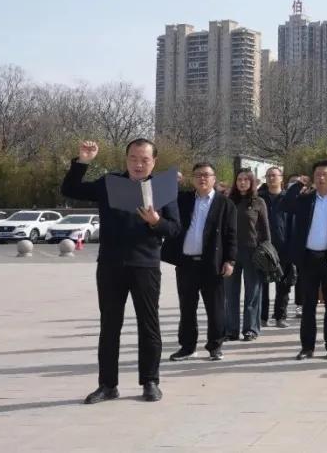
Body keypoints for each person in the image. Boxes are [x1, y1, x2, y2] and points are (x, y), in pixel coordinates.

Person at [61, 139, 181, 404]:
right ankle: (107, 385)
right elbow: (70, 189)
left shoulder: (163, 190)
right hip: (111, 265)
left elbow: (174, 229)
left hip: (146, 265)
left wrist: (156, 221)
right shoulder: (110, 183)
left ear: (154, 162)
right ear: (126, 159)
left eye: (145, 160)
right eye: (133, 158)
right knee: (109, 326)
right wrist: (83, 161)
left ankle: (150, 381)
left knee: (149, 325)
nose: (138, 164)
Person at [279, 161, 327, 360]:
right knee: (308, 305)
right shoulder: (306, 199)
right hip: (308, 259)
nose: (321, 178)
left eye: (325, 174)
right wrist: (298, 184)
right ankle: (307, 347)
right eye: (317, 175)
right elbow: (285, 205)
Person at [162, 162, 236, 362]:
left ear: (214, 178)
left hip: (212, 264)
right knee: (187, 308)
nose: (202, 178)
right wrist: (170, 181)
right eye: (198, 175)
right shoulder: (183, 200)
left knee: (215, 308)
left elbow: (231, 234)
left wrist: (230, 260)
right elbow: (163, 204)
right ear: (192, 179)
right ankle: (187, 347)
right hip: (186, 263)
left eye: (206, 175)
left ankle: (215, 346)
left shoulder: (225, 203)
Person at [225, 169, 270, 342]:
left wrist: (266, 252)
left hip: (253, 252)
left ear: (252, 182)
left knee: (253, 292)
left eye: (246, 179)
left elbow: (265, 230)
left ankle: (251, 329)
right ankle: (231, 329)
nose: (242, 182)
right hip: (231, 253)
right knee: (230, 293)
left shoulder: (259, 202)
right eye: (239, 179)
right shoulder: (228, 201)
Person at [258, 167, 295, 329]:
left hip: (284, 246)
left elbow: (294, 222)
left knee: (284, 284)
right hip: (264, 247)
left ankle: (280, 316)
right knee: (262, 284)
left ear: (281, 178)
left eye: (275, 175)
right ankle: (262, 317)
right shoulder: (259, 197)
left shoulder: (289, 198)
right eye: (269, 176)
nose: (272, 178)